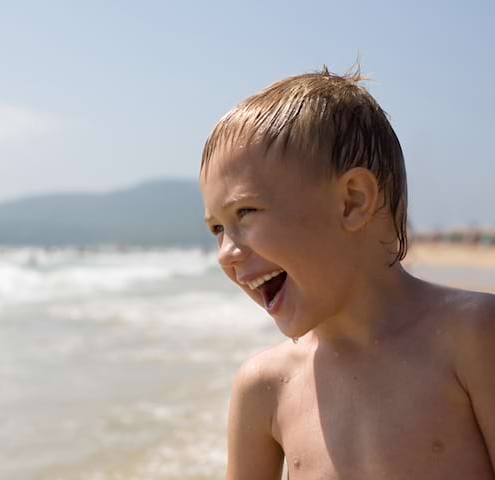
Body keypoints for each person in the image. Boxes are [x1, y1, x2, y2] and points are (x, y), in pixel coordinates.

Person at [199, 67, 495, 479]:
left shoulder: (472, 337)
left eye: (245, 212)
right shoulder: (265, 388)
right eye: (217, 229)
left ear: (352, 202)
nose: (226, 253)